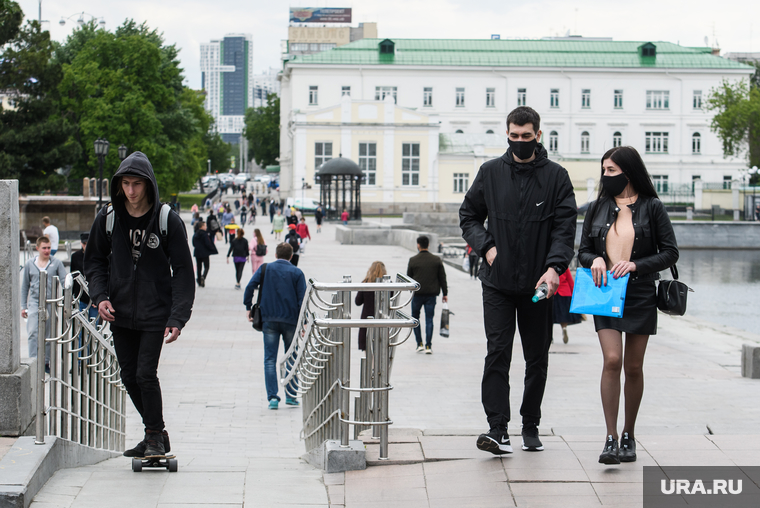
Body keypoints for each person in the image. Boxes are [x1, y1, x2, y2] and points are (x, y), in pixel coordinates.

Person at [460, 106, 577, 455]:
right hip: (497, 281)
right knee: (497, 352)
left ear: (538, 136)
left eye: (527, 137)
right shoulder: (490, 172)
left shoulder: (557, 177)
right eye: (514, 136)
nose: (521, 142)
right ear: (507, 134)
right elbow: (468, 216)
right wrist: (487, 247)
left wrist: (555, 268)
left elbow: (565, 228)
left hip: (539, 286)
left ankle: (530, 425)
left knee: (536, 357)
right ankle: (498, 428)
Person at [84, 151, 195, 459]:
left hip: (155, 311)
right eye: (125, 184)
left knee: (146, 373)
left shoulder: (166, 220)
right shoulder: (108, 218)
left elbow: (184, 271)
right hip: (119, 311)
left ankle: (154, 438)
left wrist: (178, 316)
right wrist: (100, 296)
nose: (130, 191)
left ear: (148, 185)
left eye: (137, 184)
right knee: (129, 376)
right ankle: (155, 433)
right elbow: (93, 261)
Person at [578, 146, 678, 465]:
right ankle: (609, 439)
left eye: (611, 170)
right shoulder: (596, 208)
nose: (605, 176)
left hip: (640, 294)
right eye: (604, 169)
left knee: (633, 367)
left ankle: (628, 435)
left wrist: (637, 266)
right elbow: (581, 250)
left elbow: (670, 252)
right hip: (604, 292)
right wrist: (593, 258)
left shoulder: (653, 207)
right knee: (612, 360)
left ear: (628, 172)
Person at [243, 243, 306, 410]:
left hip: (269, 319)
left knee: (269, 359)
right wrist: (304, 322)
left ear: (276, 254)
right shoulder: (297, 273)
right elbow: (303, 301)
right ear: (291, 256)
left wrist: (248, 307)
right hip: (291, 321)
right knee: (291, 357)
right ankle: (291, 396)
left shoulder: (265, 269)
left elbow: (249, 287)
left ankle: (273, 397)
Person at [21, 236, 68, 369]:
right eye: (44, 248)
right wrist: (23, 306)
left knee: (49, 334)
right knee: (32, 333)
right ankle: (32, 361)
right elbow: (25, 286)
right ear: (37, 248)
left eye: (49, 248)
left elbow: (64, 281)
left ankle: (46, 361)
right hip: (35, 302)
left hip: (50, 302)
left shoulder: (56, 263)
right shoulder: (30, 263)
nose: (47, 250)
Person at [406, 235, 448, 355]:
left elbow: (408, 278)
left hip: (417, 294)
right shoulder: (436, 260)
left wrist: (411, 293)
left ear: (418, 245)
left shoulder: (413, 260)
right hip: (431, 295)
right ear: (428, 245)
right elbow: (442, 278)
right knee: (429, 319)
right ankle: (428, 346)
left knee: (415, 319)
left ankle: (419, 343)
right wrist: (445, 293)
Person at [355, 261, 387, 351]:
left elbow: (358, 302)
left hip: (367, 318)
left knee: (368, 349)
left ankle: (371, 365)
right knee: (381, 349)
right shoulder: (387, 284)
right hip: (382, 319)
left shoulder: (366, 283)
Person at [69, 233, 99, 322]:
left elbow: (104, 277)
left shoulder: (98, 256)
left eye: (88, 243)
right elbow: (73, 276)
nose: (86, 246)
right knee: (80, 327)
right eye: (84, 244)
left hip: (94, 297)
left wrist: (100, 297)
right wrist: (71, 295)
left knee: (94, 325)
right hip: (80, 296)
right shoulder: (75, 256)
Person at [553, 270, 583, 344]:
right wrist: (574, 294)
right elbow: (570, 281)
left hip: (553, 292)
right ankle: (564, 328)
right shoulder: (564, 267)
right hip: (565, 292)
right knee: (563, 315)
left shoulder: (548, 267)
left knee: (551, 315)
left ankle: (550, 336)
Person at [192, 219, 217, 287]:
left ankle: (199, 280)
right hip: (205, 253)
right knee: (207, 266)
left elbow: (193, 244)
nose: (206, 227)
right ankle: (203, 277)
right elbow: (208, 243)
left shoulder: (196, 234)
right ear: (201, 226)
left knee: (199, 267)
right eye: (205, 226)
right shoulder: (205, 234)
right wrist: (212, 249)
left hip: (197, 252)